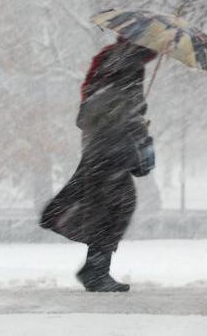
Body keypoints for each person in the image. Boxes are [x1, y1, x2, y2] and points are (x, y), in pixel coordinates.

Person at [40, 37, 158, 292]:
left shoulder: (111, 59)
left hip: (98, 145)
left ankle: (95, 269)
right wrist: (139, 129)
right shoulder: (130, 63)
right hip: (111, 147)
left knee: (106, 208)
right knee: (115, 208)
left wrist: (133, 118)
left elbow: (97, 107)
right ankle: (95, 270)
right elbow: (125, 107)